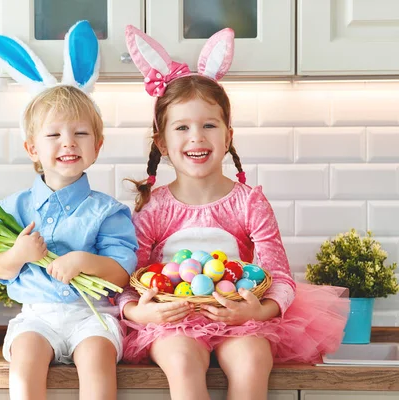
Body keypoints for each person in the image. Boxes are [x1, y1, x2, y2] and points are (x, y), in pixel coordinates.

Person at [116, 25, 349, 400]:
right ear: (161, 141)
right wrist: (138, 314)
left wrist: (258, 312)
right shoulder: (154, 208)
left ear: (228, 137)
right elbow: (127, 280)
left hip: (238, 318)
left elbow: (281, 278)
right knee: (180, 360)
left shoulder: (249, 202)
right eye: (182, 127)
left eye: (210, 125)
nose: (197, 137)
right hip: (173, 324)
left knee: (253, 359)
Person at [0, 21, 138, 400]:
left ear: (97, 145)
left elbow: (121, 274)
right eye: (54, 135)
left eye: (81, 134)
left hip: (93, 315)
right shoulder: (13, 208)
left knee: (98, 359)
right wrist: (18, 254)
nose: (68, 143)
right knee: (25, 361)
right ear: (33, 149)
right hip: (36, 315)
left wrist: (84, 260)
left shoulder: (108, 211)